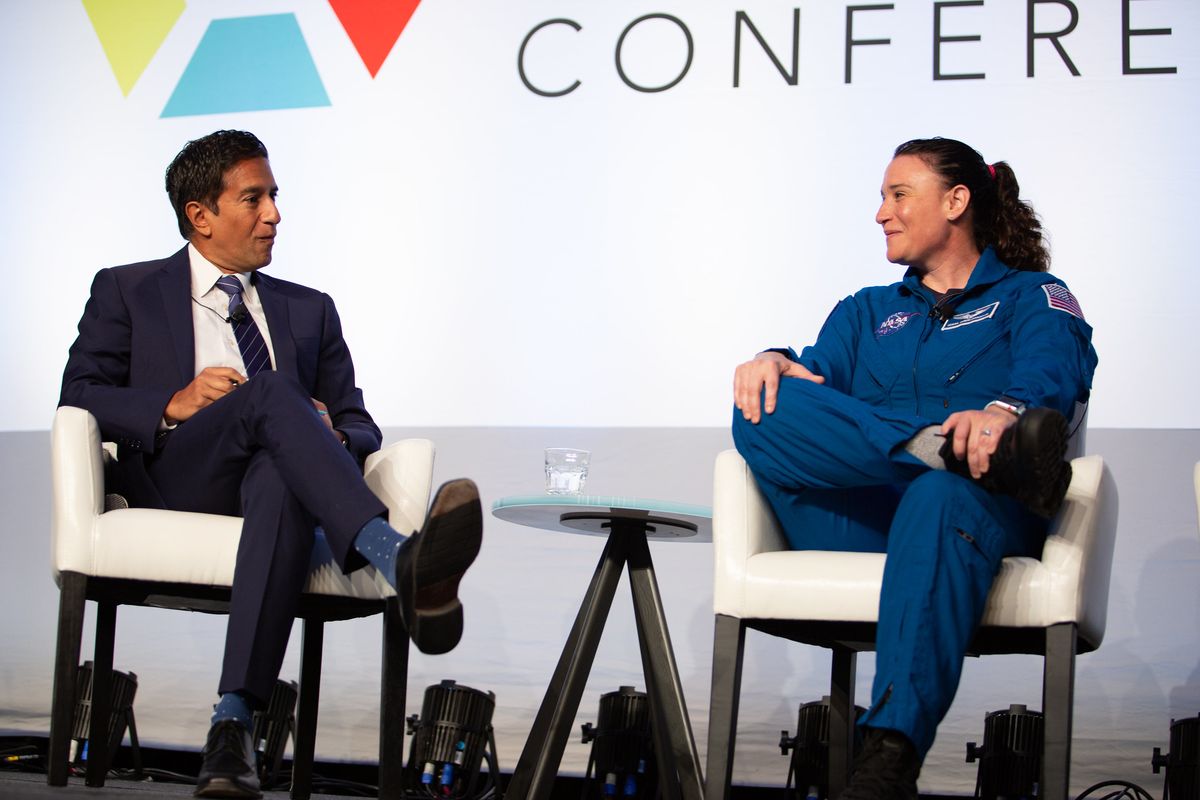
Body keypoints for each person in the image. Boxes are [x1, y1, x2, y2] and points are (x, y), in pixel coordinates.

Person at [58, 130, 484, 800]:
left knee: (283, 465)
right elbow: (79, 394)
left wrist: (327, 442)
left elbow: (356, 420)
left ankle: (231, 732)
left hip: (274, 488)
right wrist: (173, 401)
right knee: (271, 392)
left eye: (274, 197)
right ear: (201, 215)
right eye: (253, 199)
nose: (274, 214)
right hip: (177, 474)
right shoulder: (127, 289)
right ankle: (395, 557)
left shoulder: (308, 309)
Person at [731, 137, 1097, 800]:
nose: (881, 213)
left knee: (939, 497)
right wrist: (773, 360)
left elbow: (1055, 370)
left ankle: (888, 757)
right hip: (873, 509)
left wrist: (1006, 411)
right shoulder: (865, 311)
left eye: (899, 195)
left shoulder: (1032, 295)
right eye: (882, 197)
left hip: (968, 517)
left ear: (957, 201)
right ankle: (934, 448)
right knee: (762, 408)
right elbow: (815, 384)